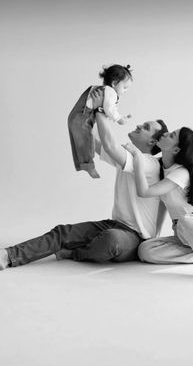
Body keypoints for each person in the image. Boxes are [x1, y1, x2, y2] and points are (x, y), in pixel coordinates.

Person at [0, 103, 169, 270]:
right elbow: (94, 143)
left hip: (134, 237)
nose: (139, 125)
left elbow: (110, 146)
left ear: (152, 141)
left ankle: (75, 253)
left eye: (146, 127)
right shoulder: (129, 157)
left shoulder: (149, 164)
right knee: (62, 232)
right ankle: (8, 255)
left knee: (111, 240)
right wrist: (91, 113)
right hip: (114, 224)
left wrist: (103, 111)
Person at [124, 127, 193, 277]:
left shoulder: (181, 172)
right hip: (184, 234)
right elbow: (163, 204)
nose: (165, 133)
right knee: (145, 250)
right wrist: (155, 233)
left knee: (185, 221)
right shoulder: (161, 169)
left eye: (171, 135)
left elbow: (144, 192)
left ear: (176, 150)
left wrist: (137, 157)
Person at [68, 64, 133, 179]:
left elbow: (109, 109)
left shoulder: (104, 90)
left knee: (80, 140)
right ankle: (88, 166)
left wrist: (121, 116)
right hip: (82, 115)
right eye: (125, 87)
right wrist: (120, 119)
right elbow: (109, 109)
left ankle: (84, 165)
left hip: (77, 115)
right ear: (114, 83)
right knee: (85, 140)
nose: (126, 91)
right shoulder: (110, 92)